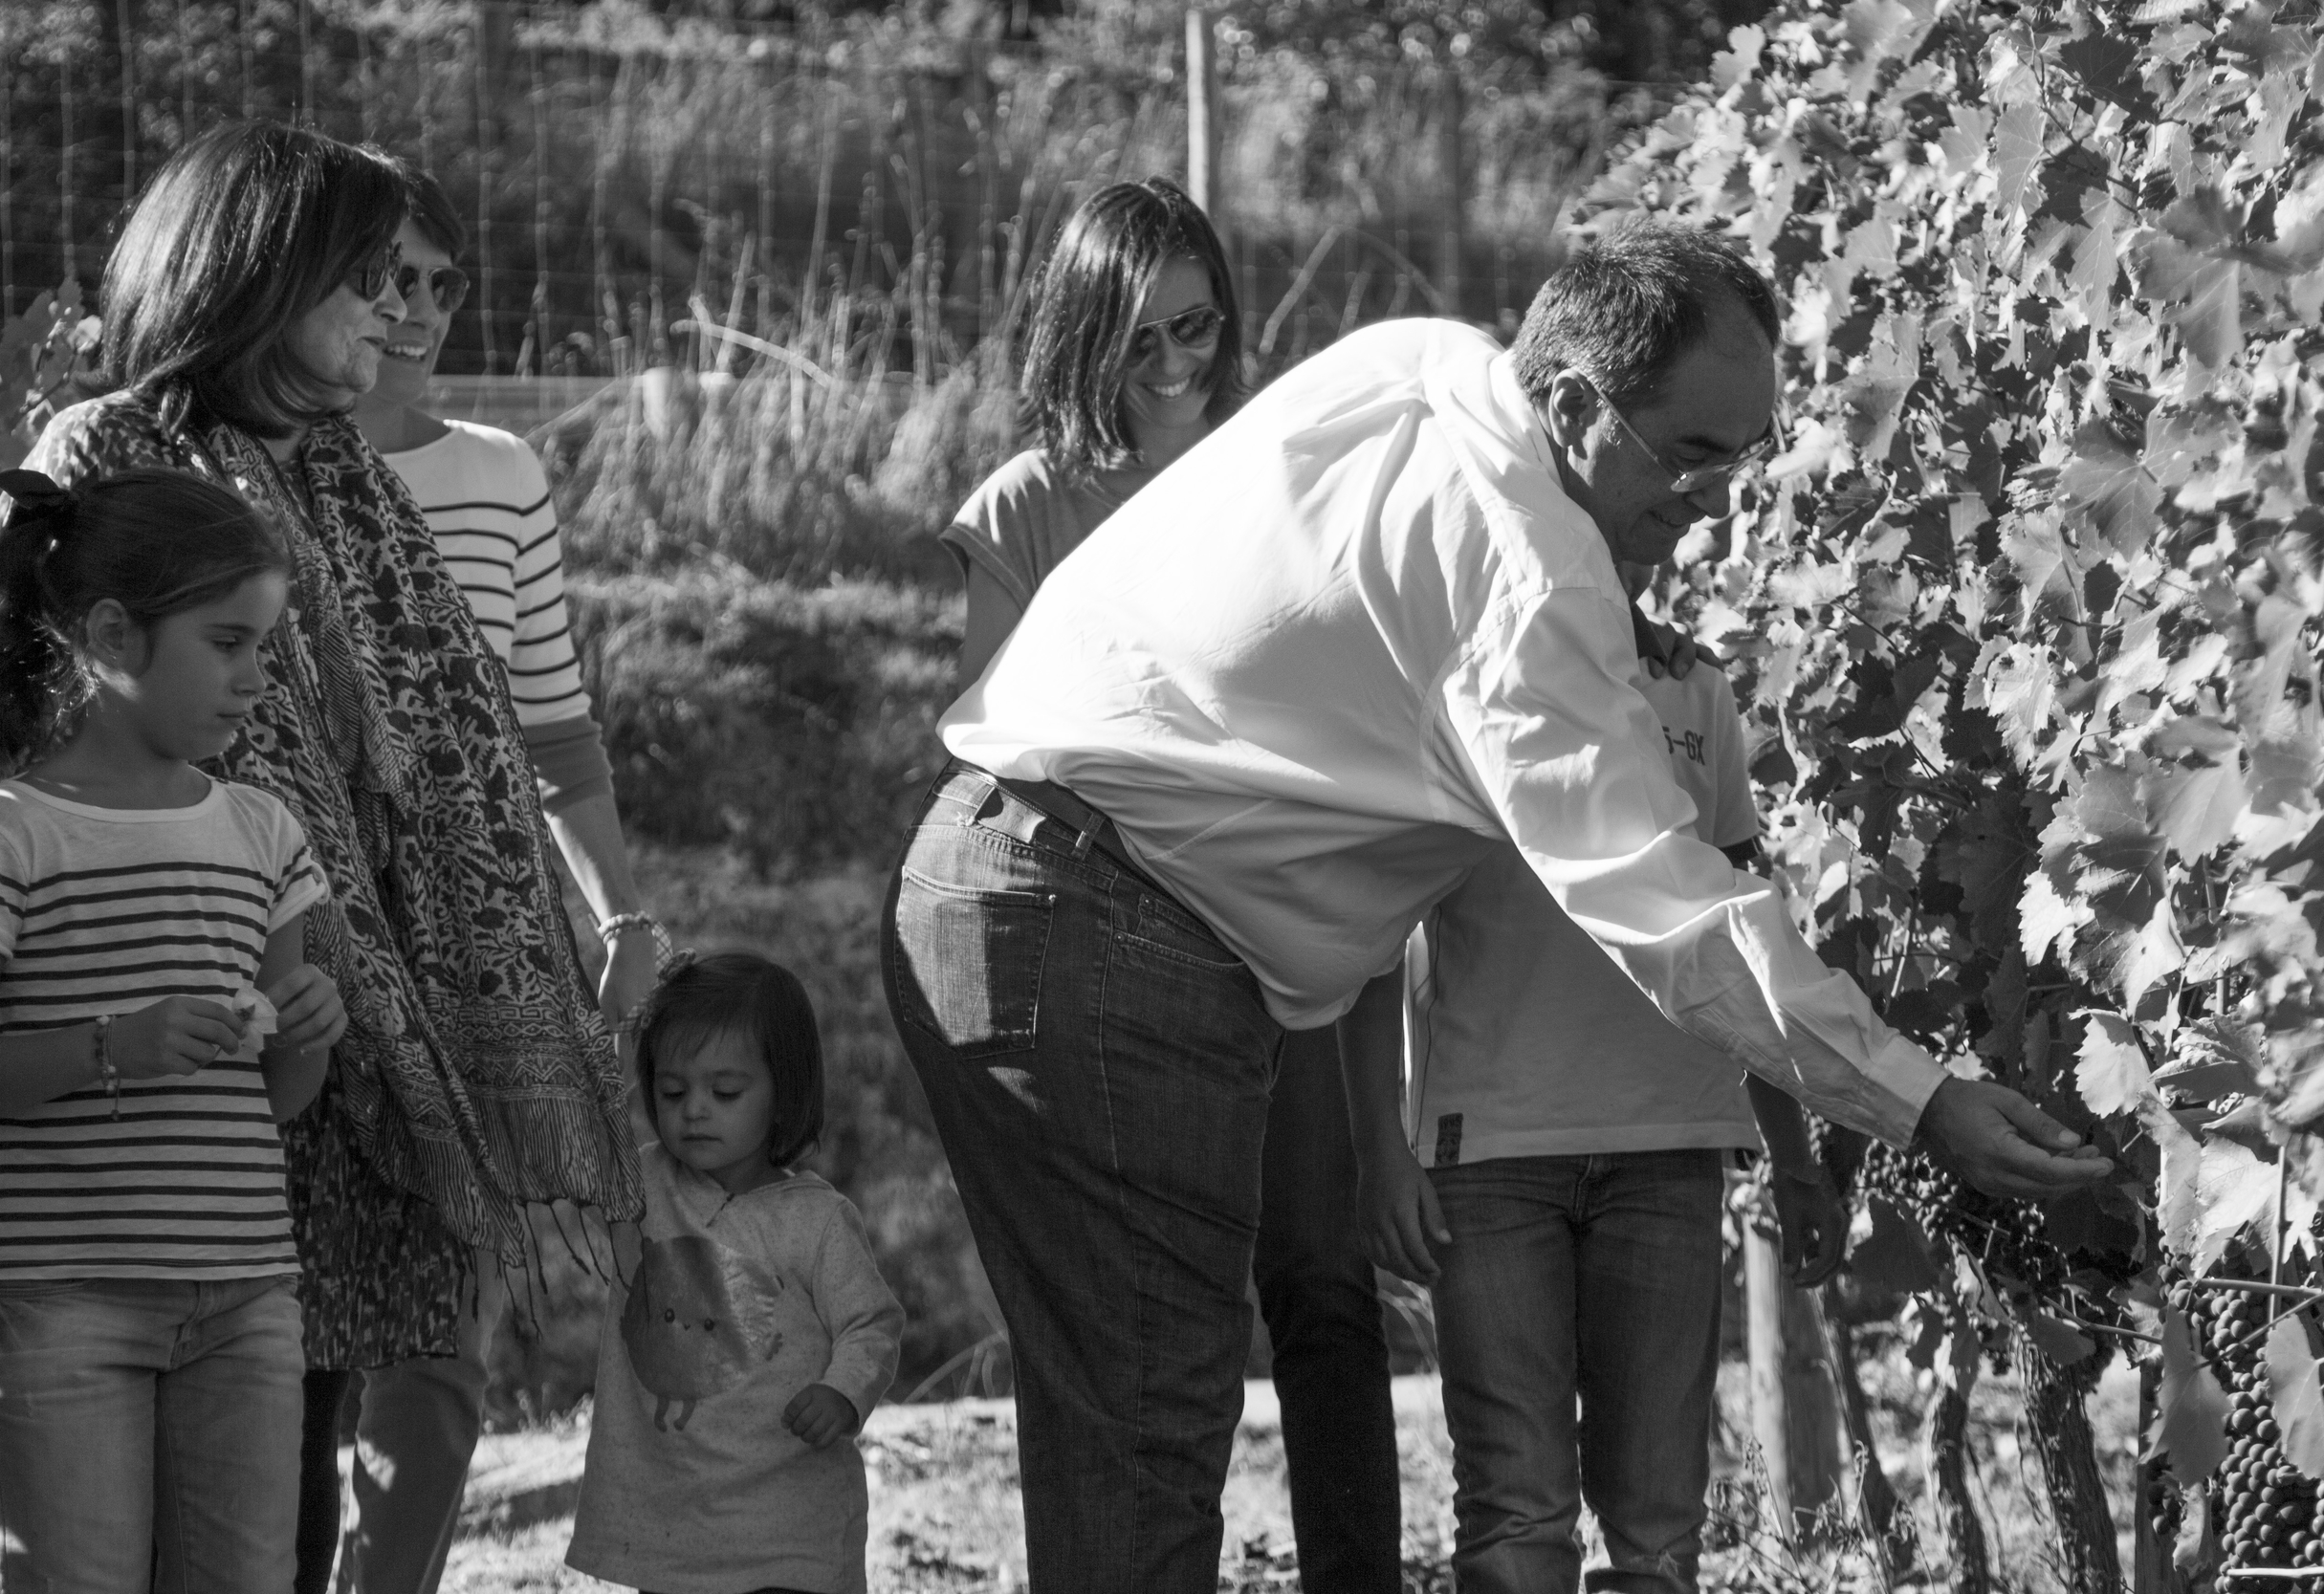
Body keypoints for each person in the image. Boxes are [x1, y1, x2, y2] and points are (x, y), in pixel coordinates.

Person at [880, 217, 2110, 1593]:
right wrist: (1923, 1101)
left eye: (1740, 457)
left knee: (1119, 1429)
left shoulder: (1429, 361)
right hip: (1095, 927)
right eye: (1693, 456)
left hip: (1015, 882)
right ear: (1576, 402)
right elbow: (1671, 911)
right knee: (1150, 1437)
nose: (1715, 502)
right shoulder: (1531, 573)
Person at [19, 121, 644, 1590]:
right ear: (256, 276)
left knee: (282, 1493)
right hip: (175, 1080)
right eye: (357, 278)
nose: (389, 312)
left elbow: (450, 763)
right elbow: (57, 766)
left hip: (343, 1070)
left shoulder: (352, 480)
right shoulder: (106, 458)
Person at [939, 176, 1402, 1592]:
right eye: (1139, 341)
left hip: (1286, 936)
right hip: (1116, 952)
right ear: (1078, 338)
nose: (1178, 364)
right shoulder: (1026, 502)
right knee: (1114, 1316)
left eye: (1198, 326)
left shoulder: (1276, 472)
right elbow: (991, 733)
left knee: (1323, 1283)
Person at [1345, 557, 1847, 1594]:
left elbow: (1741, 936)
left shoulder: (1690, 690)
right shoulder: (1441, 680)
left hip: (1668, 1149)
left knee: (1657, 1530)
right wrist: (1378, 1149)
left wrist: (1793, 1158)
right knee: (1516, 1510)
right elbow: (1371, 931)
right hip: (1483, 1154)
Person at [0, 469, 350, 1591]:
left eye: (264, 645)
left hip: (246, 1295)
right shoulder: (6, 836)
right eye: (228, 642)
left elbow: (279, 1094)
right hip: (60, 1298)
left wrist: (309, 1026)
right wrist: (110, 1045)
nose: (256, 680)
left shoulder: (265, 831)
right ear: (113, 632)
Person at [335, 162, 661, 1594]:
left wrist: (620, 908)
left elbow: (556, 731)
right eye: (384, 274)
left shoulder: (496, 472)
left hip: (467, 946)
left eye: (439, 280)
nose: (412, 308)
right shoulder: (249, 471)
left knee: (437, 1333)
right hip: (292, 916)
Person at [567, 952, 904, 1594]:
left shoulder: (817, 1220)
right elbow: (581, 1121)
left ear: (784, 1093)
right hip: (671, 1537)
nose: (694, 1109)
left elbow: (872, 1321)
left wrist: (844, 1391)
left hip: (789, 1535)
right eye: (673, 1090)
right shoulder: (638, 1184)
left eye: (724, 1092)